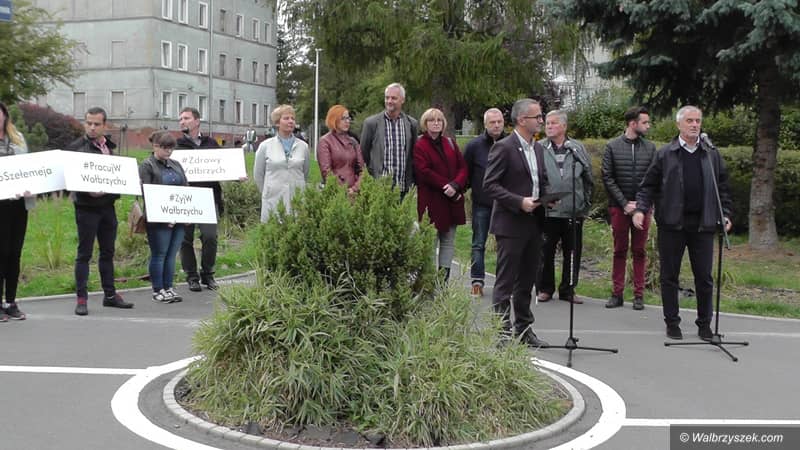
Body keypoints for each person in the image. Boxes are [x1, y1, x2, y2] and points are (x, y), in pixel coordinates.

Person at [633, 105, 733, 341]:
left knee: (704, 277)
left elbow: (723, 187)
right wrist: (640, 209)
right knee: (670, 275)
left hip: (703, 224)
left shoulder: (711, 153)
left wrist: (726, 213)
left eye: (698, 120)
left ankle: (705, 324)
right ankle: (672, 322)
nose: (695, 125)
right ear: (679, 124)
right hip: (672, 224)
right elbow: (648, 186)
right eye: (690, 121)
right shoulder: (665, 154)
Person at [483, 98, 551, 348]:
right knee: (506, 281)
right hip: (510, 224)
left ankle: (523, 328)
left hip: (534, 223)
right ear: (522, 120)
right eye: (537, 117)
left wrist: (548, 198)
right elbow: (490, 185)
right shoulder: (504, 148)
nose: (541, 121)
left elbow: (540, 180)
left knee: (527, 280)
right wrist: (518, 201)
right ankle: (501, 332)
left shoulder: (538, 149)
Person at [67, 107, 133, 316]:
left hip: (107, 207)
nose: (92, 127)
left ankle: (110, 295)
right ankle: (81, 298)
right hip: (86, 208)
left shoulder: (109, 147)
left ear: (105, 125)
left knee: (107, 252)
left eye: (96, 124)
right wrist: (85, 189)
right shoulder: (76, 148)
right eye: (89, 123)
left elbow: (116, 174)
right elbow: (68, 178)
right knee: (84, 254)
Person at [602, 106, 657, 310]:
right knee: (620, 250)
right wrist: (625, 204)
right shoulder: (612, 146)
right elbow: (608, 177)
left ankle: (639, 295)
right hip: (619, 208)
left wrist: (640, 207)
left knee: (639, 251)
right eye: (645, 122)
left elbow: (653, 179)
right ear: (633, 124)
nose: (648, 126)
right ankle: (617, 293)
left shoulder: (650, 148)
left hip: (642, 209)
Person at [537, 110, 593, 305]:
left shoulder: (576, 148)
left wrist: (584, 203)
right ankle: (545, 288)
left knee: (572, 252)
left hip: (573, 211)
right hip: (548, 211)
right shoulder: (539, 147)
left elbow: (588, 177)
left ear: (564, 126)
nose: (549, 126)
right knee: (546, 251)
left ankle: (568, 289)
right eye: (547, 123)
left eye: (553, 123)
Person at [412, 108, 468, 282]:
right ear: (425, 123)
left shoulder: (449, 143)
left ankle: (443, 282)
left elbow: (463, 167)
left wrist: (455, 185)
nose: (436, 123)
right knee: (430, 243)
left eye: (439, 120)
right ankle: (428, 283)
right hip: (432, 201)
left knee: (448, 242)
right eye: (432, 120)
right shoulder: (420, 145)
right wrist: (446, 185)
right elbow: (424, 171)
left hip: (451, 201)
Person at [139, 131, 189, 304]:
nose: (169, 151)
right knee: (159, 253)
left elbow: (186, 187)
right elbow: (147, 192)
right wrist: (164, 216)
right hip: (158, 218)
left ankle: (169, 287)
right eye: (165, 148)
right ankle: (157, 289)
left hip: (178, 216)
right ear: (155, 146)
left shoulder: (176, 164)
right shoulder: (147, 165)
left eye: (171, 148)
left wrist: (188, 213)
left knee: (172, 254)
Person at [176, 107, 221, 292]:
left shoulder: (211, 143)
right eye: (180, 119)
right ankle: (191, 276)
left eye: (186, 118)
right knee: (185, 239)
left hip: (208, 197)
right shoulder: (177, 146)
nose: (182, 122)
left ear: (197, 121)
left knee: (210, 237)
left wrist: (237, 174)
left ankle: (208, 274)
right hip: (185, 198)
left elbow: (223, 165)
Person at [463, 108, 505, 297]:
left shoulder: (511, 143)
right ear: (485, 124)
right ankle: (477, 281)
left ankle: (503, 282)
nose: (496, 125)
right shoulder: (474, 146)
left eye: (499, 122)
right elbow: (466, 173)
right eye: (492, 122)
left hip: (505, 204)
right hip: (482, 203)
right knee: (478, 243)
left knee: (505, 246)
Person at [0, 102, 35, 322]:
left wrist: (30, 186)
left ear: (5, 115)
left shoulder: (18, 138)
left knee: (14, 253)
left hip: (19, 205)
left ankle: (11, 302)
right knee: (1, 253)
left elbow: (29, 169)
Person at [360, 82, 419, 199]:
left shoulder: (411, 124)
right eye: (387, 98)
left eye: (393, 98)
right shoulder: (371, 123)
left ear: (402, 100)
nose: (389, 101)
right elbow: (363, 154)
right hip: (379, 187)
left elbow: (413, 155)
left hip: (403, 187)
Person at [254, 105, 310, 222]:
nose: (291, 121)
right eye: (286, 118)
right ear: (277, 123)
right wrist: (267, 191)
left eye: (293, 118)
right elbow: (258, 175)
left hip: (296, 198)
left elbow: (305, 172)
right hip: (273, 198)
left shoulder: (303, 146)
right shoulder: (265, 146)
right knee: (273, 227)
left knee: (295, 227)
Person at [317, 105, 365, 195]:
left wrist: (355, 188)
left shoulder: (353, 141)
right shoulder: (325, 141)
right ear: (334, 119)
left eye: (348, 118)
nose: (347, 121)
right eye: (343, 118)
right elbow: (326, 171)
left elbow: (362, 169)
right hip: (335, 192)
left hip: (354, 193)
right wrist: (342, 189)